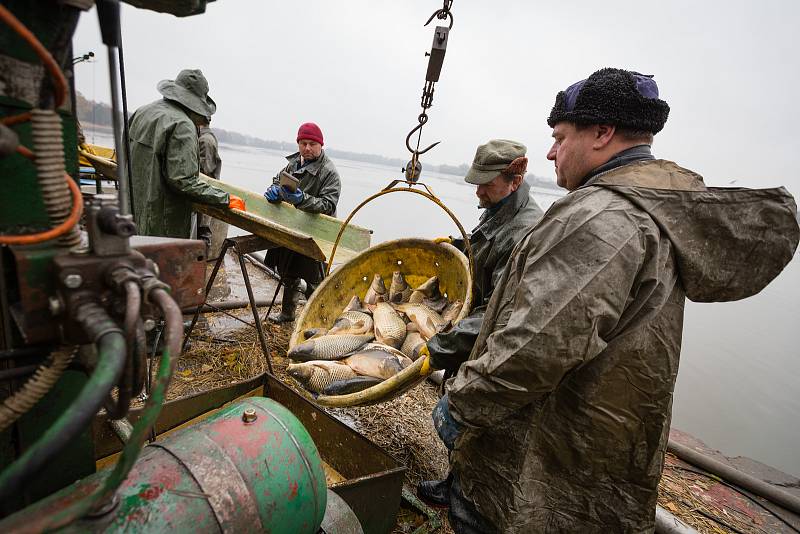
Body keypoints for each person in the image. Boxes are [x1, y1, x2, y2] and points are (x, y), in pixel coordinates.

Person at [430, 68, 799, 533]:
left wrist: (464, 403)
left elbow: (538, 345)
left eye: (559, 136)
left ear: (602, 133)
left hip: (543, 454)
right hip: (601, 444)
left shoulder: (601, 218)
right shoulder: (651, 209)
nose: (550, 151)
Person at [416, 139, 544, 508]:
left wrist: (438, 348)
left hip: (492, 342)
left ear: (515, 180)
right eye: (477, 180)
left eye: (486, 182)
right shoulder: (499, 207)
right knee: (459, 409)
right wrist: (459, 244)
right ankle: (453, 482)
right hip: (472, 328)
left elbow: (498, 313)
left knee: (475, 425)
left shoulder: (526, 231)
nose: (478, 189)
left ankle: (469, 502)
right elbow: (486, 247)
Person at [128, 69, 243, 239]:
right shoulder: (183, 125)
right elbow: (183, 181)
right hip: (162, 227)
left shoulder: (142, 112)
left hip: (131, 214)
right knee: (163, 265)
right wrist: (225, 198)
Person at [263, 122, 341, 323]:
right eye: (303, 143)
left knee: (315, 282)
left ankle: (319, 322)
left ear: (320, 145)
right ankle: (288, 314)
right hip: (292, 227)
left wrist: (301, 199)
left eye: (312, 144)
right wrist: (274, 191)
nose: (307, 148)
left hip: (316, 233)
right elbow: (278, 180)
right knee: (288, 273)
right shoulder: (293, 164)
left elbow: (328, 205)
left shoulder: (329, 172)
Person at [195, 116, 228, 259]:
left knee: (203, 232)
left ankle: (199, 268)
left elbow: (205, 173)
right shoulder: (204, 137)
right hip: (204, 193)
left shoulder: (205, 140)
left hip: (204, 194)